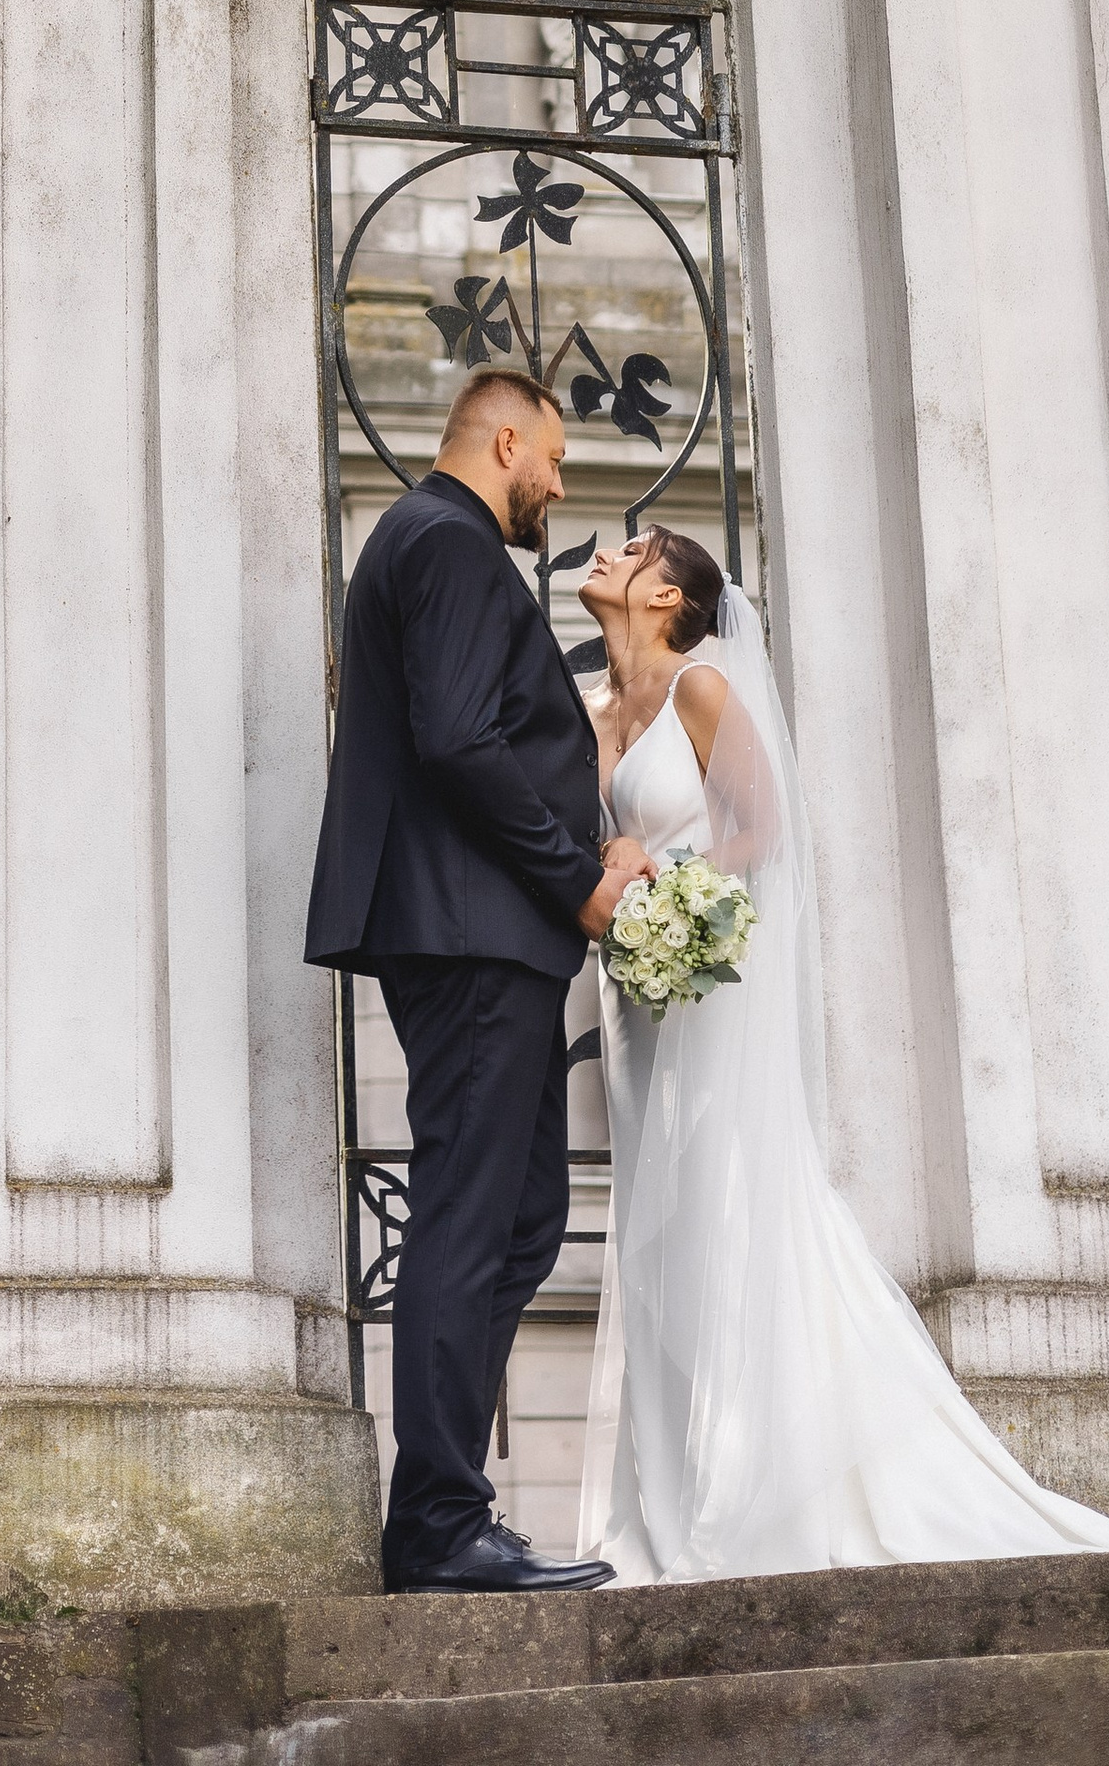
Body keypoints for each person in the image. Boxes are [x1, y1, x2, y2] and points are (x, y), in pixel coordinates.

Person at [574, 526, 1109, 1577]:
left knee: (722, 1205)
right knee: (654, 1231)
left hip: (698, 977)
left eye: (634, 551)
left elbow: (763, 830)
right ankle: (672, 1493)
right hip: (631, 998)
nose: (608, 554)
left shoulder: (701, 690)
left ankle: (760, 1485)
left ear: (666, 598)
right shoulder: (595, 707)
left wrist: (678, 894)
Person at [305, 370, 653, 1594]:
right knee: (470, 1213)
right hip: (470, 934)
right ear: (505, 441)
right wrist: (577, 880)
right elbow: (458, 739)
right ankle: (439, 1525)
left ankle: (444, 1509)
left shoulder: (428, 542)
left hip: (486, 933)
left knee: (522, 1216)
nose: (557, 485)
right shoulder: (447, 542)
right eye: (552, 460)